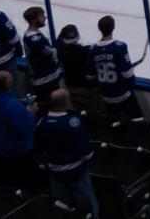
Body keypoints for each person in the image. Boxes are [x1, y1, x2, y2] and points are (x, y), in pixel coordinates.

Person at [37, 89, 99, 217]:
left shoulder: (42, 122)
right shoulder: (73, 122)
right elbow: (87, 153)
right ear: (67, 103)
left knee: (63, 208)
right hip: (76, 173)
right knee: (88, 208)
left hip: (55, 173)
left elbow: (39, 147)